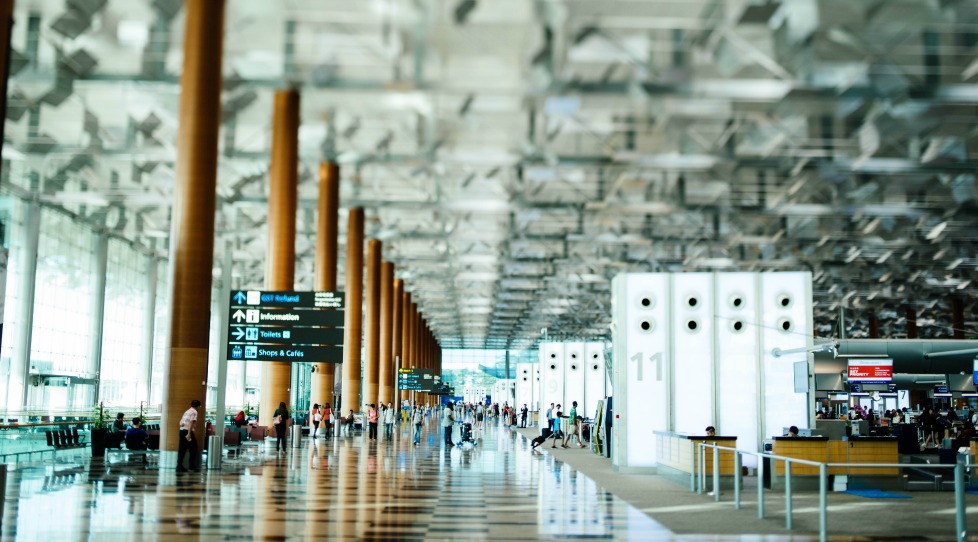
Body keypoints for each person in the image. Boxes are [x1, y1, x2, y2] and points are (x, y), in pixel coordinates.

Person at [177, 399, 200, 472]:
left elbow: (181, 421)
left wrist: (180, 424)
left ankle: (179, 466)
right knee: (194, 448)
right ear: (198, 406)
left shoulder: (187, 411)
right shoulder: (194, 412)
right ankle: (191, 465)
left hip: (181, 430)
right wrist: (189, 434)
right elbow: (191, 422)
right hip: (187, 431)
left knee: (182, 449)